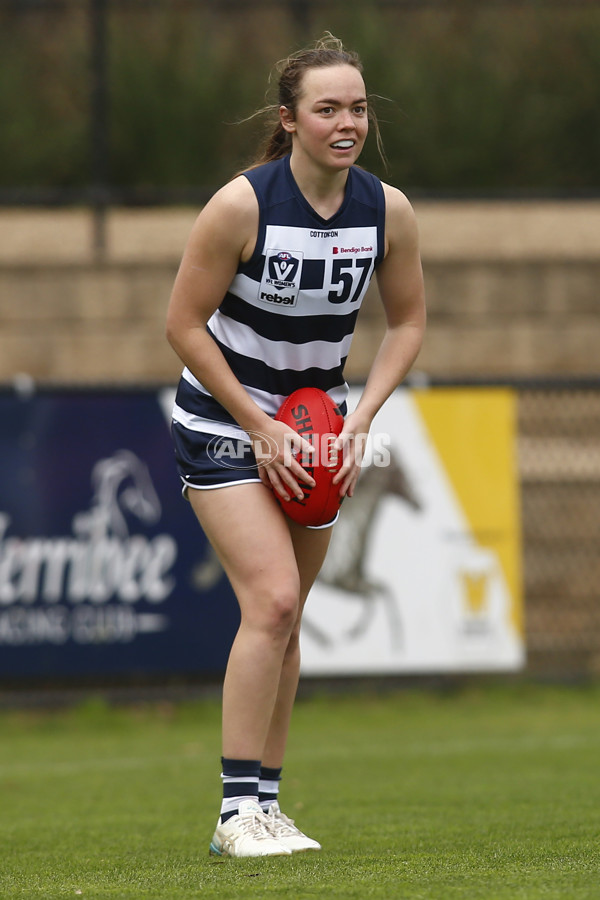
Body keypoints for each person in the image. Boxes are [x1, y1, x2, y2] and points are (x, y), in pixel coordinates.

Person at [165, 33, 426, 858]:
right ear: (290, 119)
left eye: (356, 107)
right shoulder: (242, 205)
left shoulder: (387, 210)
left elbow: (409, 322)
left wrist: (358, 423)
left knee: (288, 621)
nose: (346, 121)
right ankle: (234, 814)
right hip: (226, 421)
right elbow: (181, 325)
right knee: (271, 601)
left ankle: (268, 806)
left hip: (320, 432)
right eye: (327, 109)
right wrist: (259, 424)